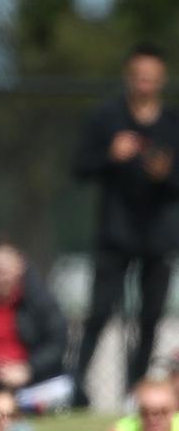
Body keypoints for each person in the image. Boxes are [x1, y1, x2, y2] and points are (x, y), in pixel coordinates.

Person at [72, 42, 179, 402]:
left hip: (160, 235)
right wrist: (111, 156)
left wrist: (166, 174)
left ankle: (136, 392)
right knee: (99, 312)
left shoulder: (172, 124)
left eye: (151, 78)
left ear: (161, 79)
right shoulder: (107, 119)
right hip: (115, 233)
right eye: (138, 77)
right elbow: (80, 167)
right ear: (128, 77)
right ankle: (75, 388)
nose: (144, 84)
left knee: (150, 317)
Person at [0, 237, 68, 396]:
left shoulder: (40, 300)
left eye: (2, 271)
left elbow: (56, 344)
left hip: (28, 381)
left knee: (63, 388)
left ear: (20, 266)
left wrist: (28, 369)